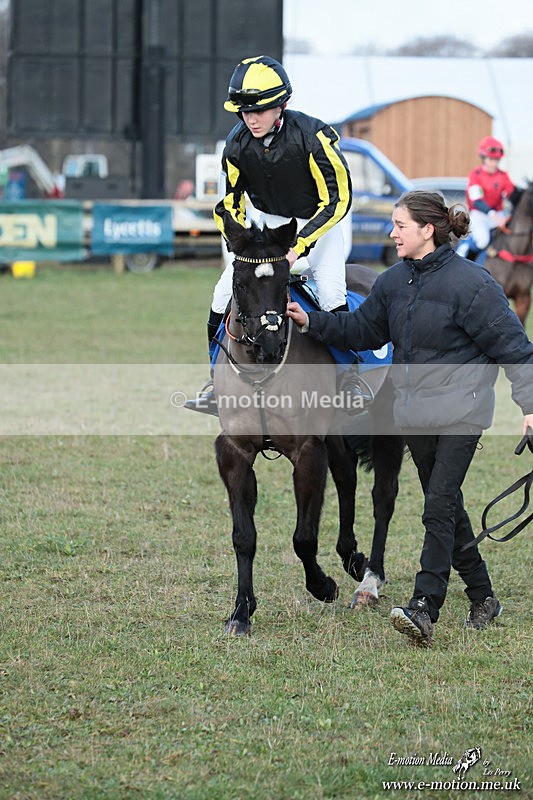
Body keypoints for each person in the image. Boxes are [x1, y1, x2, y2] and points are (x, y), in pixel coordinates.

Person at [286, 190, 533, 647]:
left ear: (427, 230)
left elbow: (515, 348)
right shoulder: (393, 282)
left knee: (437, 503)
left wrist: (531, 408)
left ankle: (424, 605)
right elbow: (361, 331)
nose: (391, 232)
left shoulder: (474, 284)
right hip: (413, 412)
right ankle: (483, 596)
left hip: (462, 411)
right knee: (448, 506)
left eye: (399, 225)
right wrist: (311, 321)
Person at [185, 54, 352, 414]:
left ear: (282, 105)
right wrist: (240, 241)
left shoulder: (315, 137)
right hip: (266, 226)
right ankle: (216, 381)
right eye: (244, 112)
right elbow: (230, 203)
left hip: (319, 224)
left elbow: (338, 199)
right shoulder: (236, 145)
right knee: (219, 296)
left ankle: (349, 376)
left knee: (331, 294)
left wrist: (300, 246)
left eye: (259, 111)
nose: (251, 119)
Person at [456, 136, 519, 259]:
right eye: (491, 159)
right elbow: (477, 202)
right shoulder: (475, 175)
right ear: (484, 158)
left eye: (496, 160)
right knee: (483, 240)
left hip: (498, 214)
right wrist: (493, 215)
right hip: (480, 215)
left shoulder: (503, 175)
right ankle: (463, 255)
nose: (494, 163)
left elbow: (512, 194)